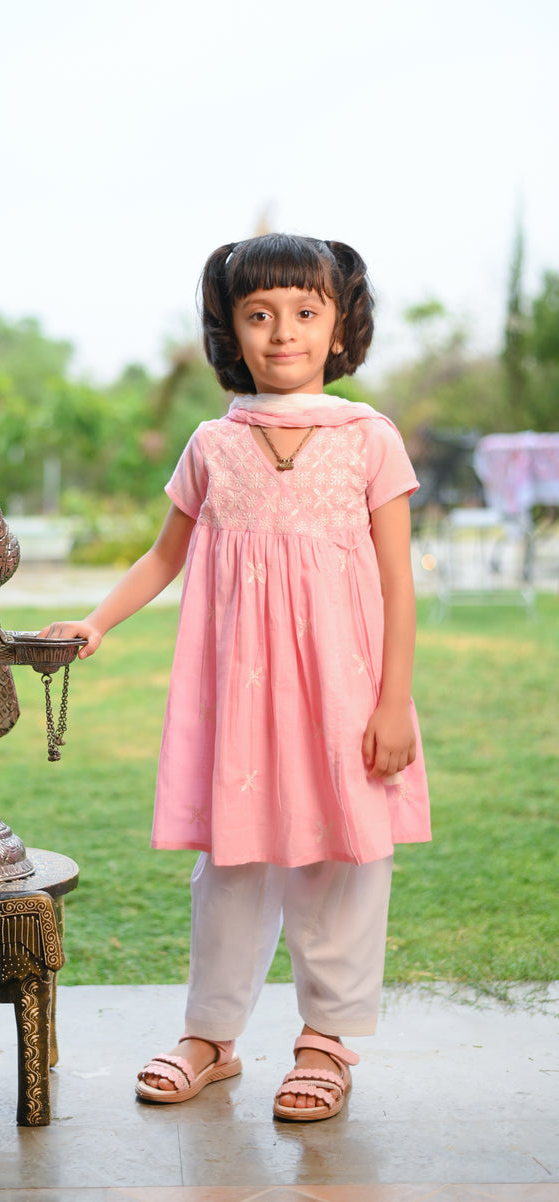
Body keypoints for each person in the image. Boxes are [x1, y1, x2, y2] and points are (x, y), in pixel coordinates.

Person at [41, 232, 430, 1121]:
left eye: (303, 311)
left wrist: (393, 701)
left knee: (342, 857)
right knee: (234, 859)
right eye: (258, 315)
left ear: (339, 327)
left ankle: (327, 1043)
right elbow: (161, 556)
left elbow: (400, 582)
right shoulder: (213, 445)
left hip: (347, 698)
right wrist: (97, 621)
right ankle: (210, 1039)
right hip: (242, 701)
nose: (281, 331)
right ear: (231, 329)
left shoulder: (371, 440)